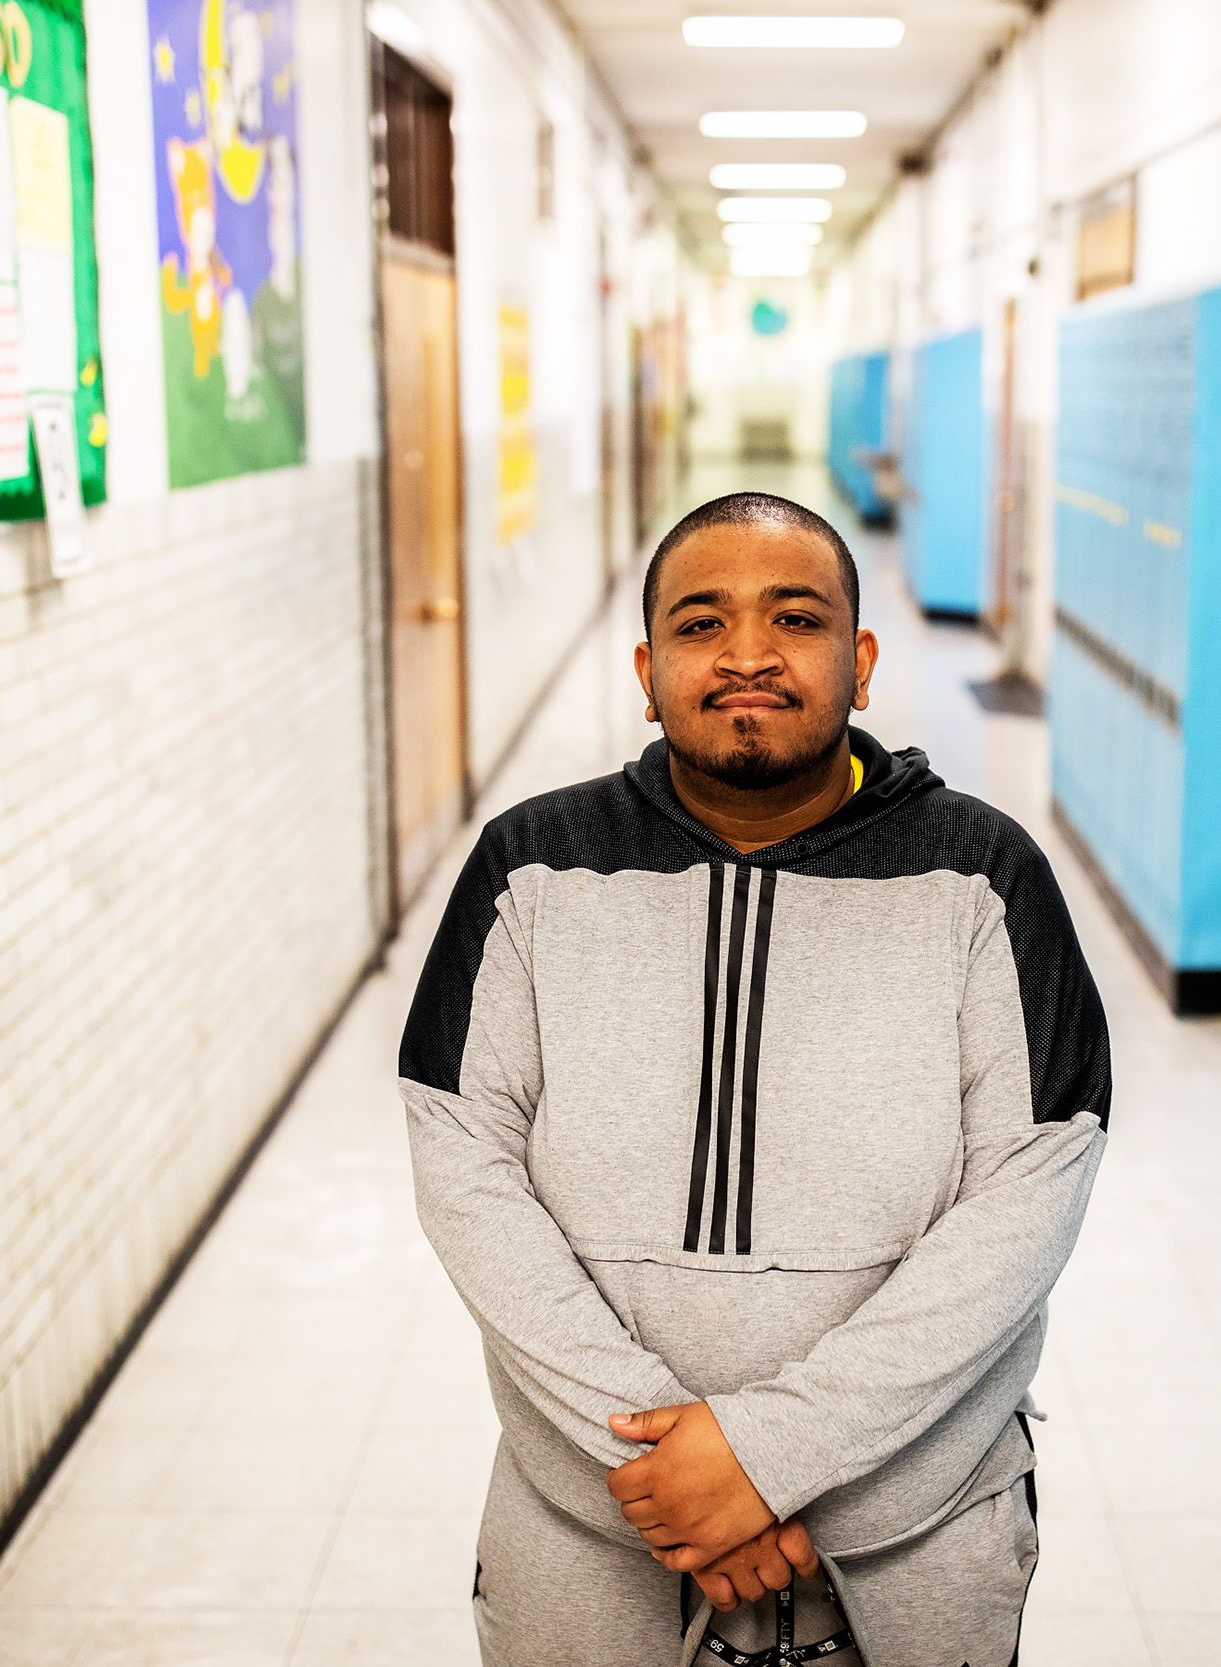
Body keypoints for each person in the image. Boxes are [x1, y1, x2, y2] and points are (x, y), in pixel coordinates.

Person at [400, 492, 1112, 1666]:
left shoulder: (984, 876)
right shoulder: (528, 867)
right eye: (698, 624)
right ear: (645, 667)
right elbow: (462, 1165)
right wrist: (669, 1467)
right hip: (591, 1517)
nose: (745, 655)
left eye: (794, 617)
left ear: (861, 660)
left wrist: (766, 1453)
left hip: (910, 1524)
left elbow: (1031, 1192)